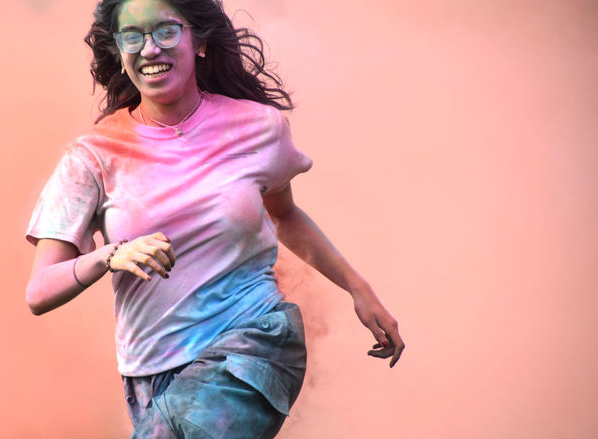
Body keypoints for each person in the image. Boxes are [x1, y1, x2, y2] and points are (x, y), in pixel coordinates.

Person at [24, 0, 405, 437]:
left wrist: (360, 290)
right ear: (117, 51)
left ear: (199, 40)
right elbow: (39, 291)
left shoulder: (258, 128)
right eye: (133, 36)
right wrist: (110, 255)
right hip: (150, 371)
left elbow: (286, 217)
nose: (150, 48)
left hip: (255, 340)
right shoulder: (91, 157)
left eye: (165, 31)